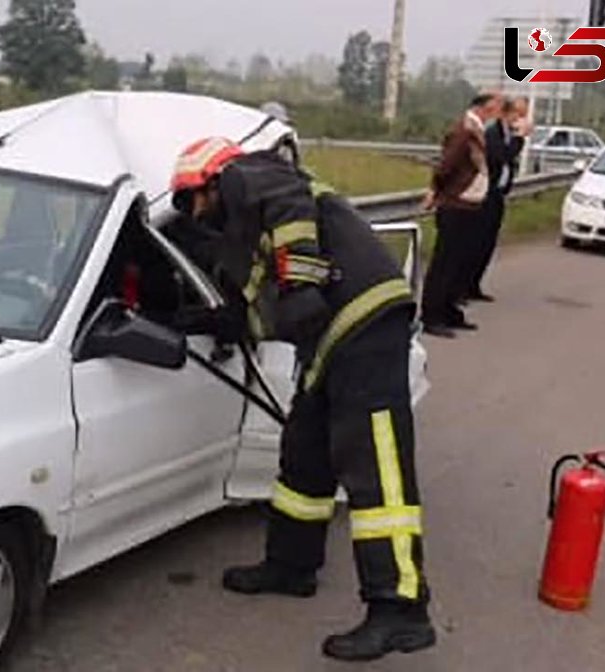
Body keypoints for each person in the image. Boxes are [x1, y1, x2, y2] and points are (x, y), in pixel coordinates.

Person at [169, 132, 436, 662]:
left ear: (212, 179)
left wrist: (300, 284)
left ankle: (401, 611)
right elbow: (268, 313)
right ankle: (291, 568)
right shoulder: (244, 237)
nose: (195, 214)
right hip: (330, 343)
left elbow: (293, 222)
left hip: (367, 324)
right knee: (305, 455)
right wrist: (224, 321)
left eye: (194, 199)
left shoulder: (253, 175)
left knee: (375, 469)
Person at [419, 92, 503, 338]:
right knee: (445, 262)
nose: (497, 112)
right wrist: (437, 190)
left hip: (469, 204)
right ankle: (431, 314)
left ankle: (448, 309)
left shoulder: (475, 131)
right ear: (484, 107)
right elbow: (446, 165)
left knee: (458, 261)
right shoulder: (464, 131)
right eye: (495, 107)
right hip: (455, 205)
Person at [464, 97, 531, 303]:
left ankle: (473, 285)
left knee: (488, 243)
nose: (521, 119)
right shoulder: (494, 133)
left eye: (524, 115)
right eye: (517, 115)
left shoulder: (507, 134)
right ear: (506, 114)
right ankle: (461, 287)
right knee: (475, 242)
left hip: (498, 194)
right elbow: (501, 156)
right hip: (485, 194)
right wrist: (521, 138)